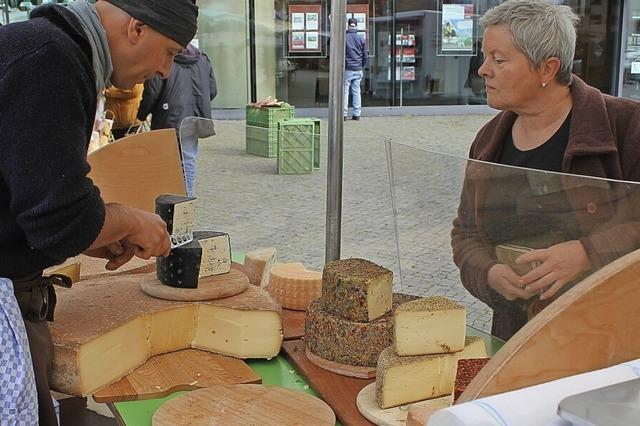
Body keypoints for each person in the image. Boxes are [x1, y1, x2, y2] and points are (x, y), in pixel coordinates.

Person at [0, 0, 198, 423]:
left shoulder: (49, 48)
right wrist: (127, 219)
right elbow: (58, 218)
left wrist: (93, 234)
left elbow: (29, 201)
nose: (166, 71)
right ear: (136, 28)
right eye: (168, 51)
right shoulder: (50, 59)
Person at [451, 0, 640, 341]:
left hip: (609, 340)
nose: (482, 70)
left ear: (547, 69)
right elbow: (465, 235)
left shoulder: (627, 127)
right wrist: (491, 274)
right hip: (519, 340)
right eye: (484, 56)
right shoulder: (487, 141)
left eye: (499, 59)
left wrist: (587, 253)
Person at [138, 43, 217, 196]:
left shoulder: (164, 57)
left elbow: (152, 91)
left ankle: (167, 196)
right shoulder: (202, 59)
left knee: (165, 160)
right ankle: (186, 197)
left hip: (168, 116)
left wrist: (141, 114)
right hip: (193, 116)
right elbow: (212, 90)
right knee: (188, 159)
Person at [344, 17, 367, 121]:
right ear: (356, 26)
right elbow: (365, 55)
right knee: (356, 90)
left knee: (345, 91)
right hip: (358, 68)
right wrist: (362, 65)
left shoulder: (344, 37)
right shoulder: (361, 38)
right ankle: (356, 114)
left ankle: (344, 114)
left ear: (348, 25)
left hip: (348, 68)